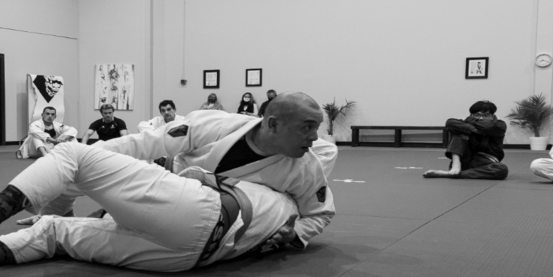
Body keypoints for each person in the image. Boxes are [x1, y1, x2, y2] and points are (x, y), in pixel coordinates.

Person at [0, 141, 305, 275]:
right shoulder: (284, 224)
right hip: (187, 259)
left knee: (73, 154)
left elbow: (193, 181)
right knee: (54, 231)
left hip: (203, 213)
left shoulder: (266, 190)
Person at [26, 92, 336, 249]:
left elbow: (320, 213)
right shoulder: (213, 123)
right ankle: (56, 213)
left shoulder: (305, 168)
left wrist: (296, 233)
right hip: (164, 176)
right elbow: (144, 143)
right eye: (307, 128)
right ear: (273, 124)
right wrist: (76, 158)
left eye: (316, 129)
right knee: (84, 167)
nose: (314, 138)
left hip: (201, 214)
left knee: (117, 226)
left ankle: (62, 227)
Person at [424, 100, 508, 180]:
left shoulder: (500, 125)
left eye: (485, 115)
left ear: (492, 116)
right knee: (460, 132)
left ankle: (451, 174)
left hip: (486, 162)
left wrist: (471, 121)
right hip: (464, 161)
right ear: (471, 115)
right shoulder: (466, 123)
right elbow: (449, 123)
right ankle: (456, 166)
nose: (481, 118)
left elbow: (488, 127)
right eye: (477, 115)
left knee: (502, 170)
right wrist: (477, 130)